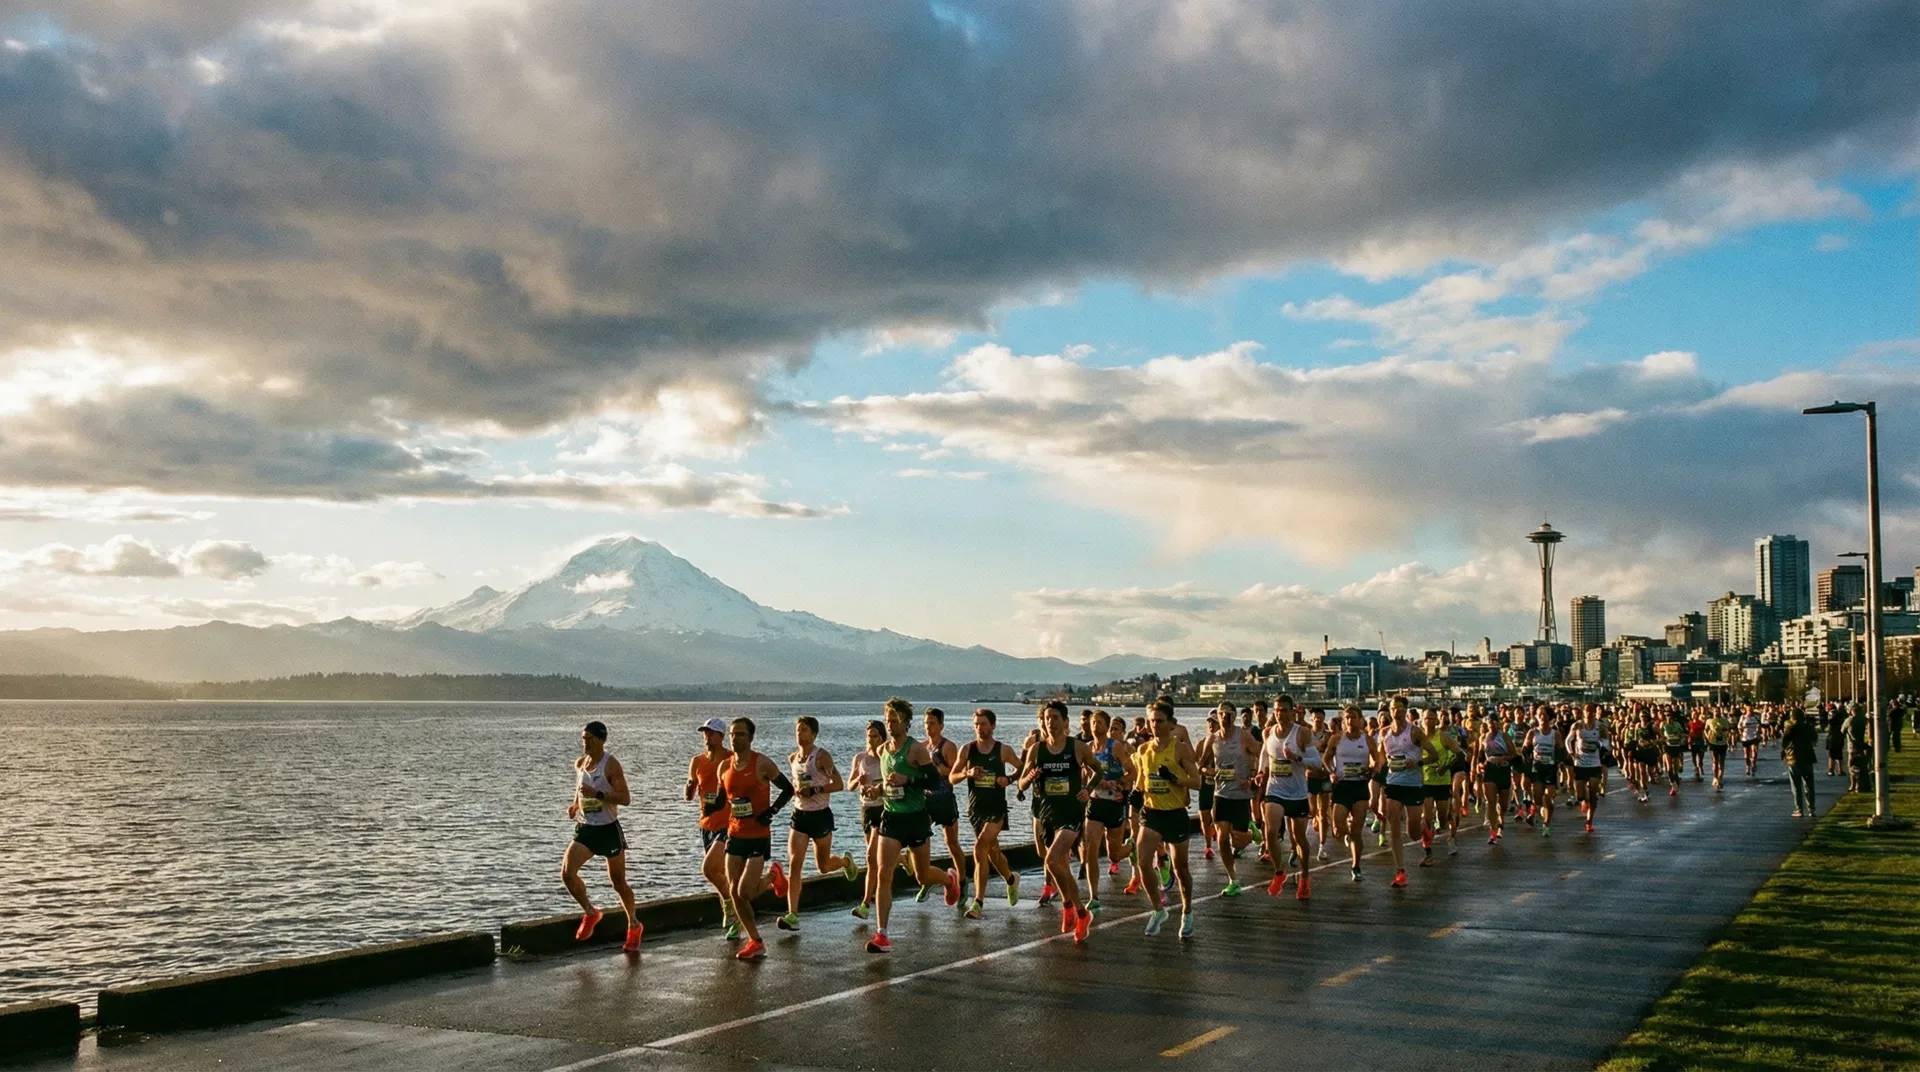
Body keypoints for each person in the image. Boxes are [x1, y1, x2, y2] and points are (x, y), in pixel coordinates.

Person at [870, 698, 961, 954]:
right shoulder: (882, 751)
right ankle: (882, 934)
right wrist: (877, 789)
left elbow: (933, 782)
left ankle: (948, 879)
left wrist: (908, 780)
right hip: (892, 817)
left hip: (917, 817)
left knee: (921, 875)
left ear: (907, 723)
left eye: (895, 719)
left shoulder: (916, 751)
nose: (890, 723)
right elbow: (889, 783)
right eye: (887, 719)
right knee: (883, 873)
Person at [1020, 700, 1098, 942]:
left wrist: (1088, 789)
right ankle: (1081, 912)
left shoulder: (1078, 747)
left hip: (1072, 813)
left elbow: (1098, 770)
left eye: (1055, 717)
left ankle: (1066, 905)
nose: (1050, 722)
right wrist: (1030, 776)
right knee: (1060, 867)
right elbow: (1021, 785)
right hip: (1048, 815)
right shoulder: (1036, 750)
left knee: (1052, 860)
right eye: (1047, 718)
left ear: (1065, 722)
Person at [564, 720, 642, 953]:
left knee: (618, 883)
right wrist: (575, 805)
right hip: (587, 828)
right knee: (567, 873)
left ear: (601, 740)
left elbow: (625, 798)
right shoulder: (580, 764)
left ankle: (634, 925)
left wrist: (597, 793)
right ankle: (591, 912)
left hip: (608, 829)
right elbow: (580, 789)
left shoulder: (611, 765)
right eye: (583, 738)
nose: (584, 742)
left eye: (589, 739)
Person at [720, 717, 794, 961]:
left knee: (746, 891)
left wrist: (771, 812)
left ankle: (773, 876)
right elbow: (722, 800)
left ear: (750, 738)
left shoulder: (762, 763)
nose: (735, 738)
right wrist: (704, 800)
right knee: (734, 892)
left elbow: (788, 789)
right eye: (732, 734)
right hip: (735, 834)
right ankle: (756, 941)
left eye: (740, 734)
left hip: (758, 835)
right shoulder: (725, 767)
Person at [776, 716, 859, 933]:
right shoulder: (793, 758)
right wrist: (797, 790)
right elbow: (796, 783)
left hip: (821, 815)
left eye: (804, 730)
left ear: (813, 734)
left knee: (823, 867)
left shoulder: (821, 757)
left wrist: (815, 790)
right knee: (795, 863)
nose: (799, 733)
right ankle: (793, 914)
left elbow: (839, 784)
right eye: (797, 729)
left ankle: (844, 862)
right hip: (799, 816)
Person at [1135, 699, 1201, 939]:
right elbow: (1143, 780)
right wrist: (1134, 792)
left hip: (1175, 814)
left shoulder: (1180, 749)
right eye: (1151, 721)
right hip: (1152, 813)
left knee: (1180, 869)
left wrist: (1175, 778)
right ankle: (1157, 909)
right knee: (1143, 862)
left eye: (1159, 721)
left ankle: (1187, 911)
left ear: (1171, 724)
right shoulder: (1143, 750)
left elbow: (1197, 781)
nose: (1154, 725)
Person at [953, 707, 1022, 918]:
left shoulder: (1003, 750)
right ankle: (1010, 879)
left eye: (983, 724)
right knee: (991, 853)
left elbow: (1022, 767)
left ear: (992, 725)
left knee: (979, 848)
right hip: (976, 809)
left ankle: (978, 902)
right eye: (976, 724)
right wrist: (967, 773)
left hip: (996, 809)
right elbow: (952, 777)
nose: (979, 728)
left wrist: (1008, 780)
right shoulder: (967, 750)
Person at [1200, 703, 1261, 895]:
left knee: (1238, 843)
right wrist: (1207, 771)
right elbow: (1200, 763)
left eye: (1228, 714)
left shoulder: (1243, 735)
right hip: (1221, 794)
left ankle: (1253, 833)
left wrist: (1252, 777)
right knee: (1222, 839)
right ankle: (1233, 879)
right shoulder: (1213, 738)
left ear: (1234, 716)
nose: (1224, 717)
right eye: (1221, 714)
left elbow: (1263, 755)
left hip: (1241, 795)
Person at [1081, 710, 1136, 916]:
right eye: (1092, 722)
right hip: (1095, 803)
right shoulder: (1086, 749)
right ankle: (1094, 896)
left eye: (1099, 723)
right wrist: (1089, 785)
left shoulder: (1116, 747)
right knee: (1091, 849)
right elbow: (1084, 775)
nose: (1095, 726)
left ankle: (1131, 847)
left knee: (1113, 854)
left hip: (1114, 803)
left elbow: (1132, 772)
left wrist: (1119, 783)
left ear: (1106, 725)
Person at [685, 717, 735, 937]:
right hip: (706, 825)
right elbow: (690, 794)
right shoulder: (697, 761)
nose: (707, 736)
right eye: (705, 732)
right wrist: (688, 787)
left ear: (722, 736)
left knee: (708, 869)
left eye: (711, 732)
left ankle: (728, 905)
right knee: (725, 874)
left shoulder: (731, 759)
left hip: (730, 824)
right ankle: (738, 916)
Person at [1378, 697, 1435, 888]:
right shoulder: (1384, 733)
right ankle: (1400, 871)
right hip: (1393, 783)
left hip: (1413, 784)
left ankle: (1423, 830)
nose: (1396, 712)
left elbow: (1433, 755)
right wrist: (1372, 767)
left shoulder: (1415, 731)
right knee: (1393, 824)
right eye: (1393, 708)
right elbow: (1379, 758)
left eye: (1400, 709)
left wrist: (1417, 762)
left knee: (1412, 833)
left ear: (1405, 710)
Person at [1260, 702, 1314, 899]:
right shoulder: (1268, 732)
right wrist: (1261, 771)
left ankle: (1305, 876)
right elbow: (1265, 754)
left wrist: (1297, 758)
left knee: (1299, 838)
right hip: (1275, 789)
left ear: (1292, 712)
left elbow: (1316, 763)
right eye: (1276, 710)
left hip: (1298, 792)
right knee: (1271, 831)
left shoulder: (1302, 733)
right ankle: (1279, 871)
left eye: (1283, 710)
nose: (1279, 714)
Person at [920, 708, 969, 909]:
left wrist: (940, 769)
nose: (928, 727)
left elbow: (955, 774)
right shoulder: (921, 747)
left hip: (945, 799)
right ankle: (928, 877)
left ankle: (963, 882)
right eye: (926, 723)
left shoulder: (948, 746)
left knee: (952, 843)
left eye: (932, 723)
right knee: (922, 841)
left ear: (941, 725)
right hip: (926, 800)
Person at [1324, 704, 1375, 882]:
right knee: (1338, 829)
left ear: (1361, 720)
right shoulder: (1336, 739)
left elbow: (1378, 760)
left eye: (1353, 717)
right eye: (1347, 717)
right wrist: (1331, 772)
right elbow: (1326, 759)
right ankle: (1347, 838)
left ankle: (1356, 866)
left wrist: (1372, 770)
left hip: (1360, 786)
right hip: (1342, 786)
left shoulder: (1367, 740)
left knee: (1357, 831)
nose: (1350, 720)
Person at [846, 719, 887, 921]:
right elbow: (849, 786)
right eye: (868, 736)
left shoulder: (885, 758)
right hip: (866, 809)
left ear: (882, 738)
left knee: (871, 857)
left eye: (875, 736)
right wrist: (858, 781)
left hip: (883, 809)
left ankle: (865, 903)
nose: (871, 740)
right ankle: (904, 859)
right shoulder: (860, 758)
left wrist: (878, 790)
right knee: (877, 857)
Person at [1522, 707, 1560, 835]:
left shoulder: (1555, 734)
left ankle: (1546, 825)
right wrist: (1526, 755)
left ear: (1549, 717)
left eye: (1544, 715)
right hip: (1537, 768)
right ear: (1536, 717)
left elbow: (1561, 751)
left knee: (1548, 797)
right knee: (1538, 798)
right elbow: (1525, 748)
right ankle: (1535, 809)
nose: (1542, 717)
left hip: (1550, 768)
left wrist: (1559, 760)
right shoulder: (1532, 733)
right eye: (1539, 715)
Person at [1479, 715, 1516, 844]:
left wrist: (1503, 759)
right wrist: (1479, 765)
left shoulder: (1504, 736)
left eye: (1495, 722)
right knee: (1491, 801)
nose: (1492, 724)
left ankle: (1501, 819)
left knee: (1503, 805)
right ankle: (1493, 831)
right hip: (1490, 769)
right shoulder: (1483, 737)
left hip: (1503, 769)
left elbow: (1513, 753)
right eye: (1490, 722)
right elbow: (1479, 755)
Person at [1568, 705, 1605, 833]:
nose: (1589, 713)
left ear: (1594, 713)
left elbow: (1606, 740)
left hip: (1594, 763)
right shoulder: (1577, 725)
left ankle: (1589, 821)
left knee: (1593, 793)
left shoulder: (1599, 726)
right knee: (1580, 795)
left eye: (1591, 711)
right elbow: (1568, 740)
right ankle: (1583, 800)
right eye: (1587, 711)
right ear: (1583, 712)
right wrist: (1572, 753)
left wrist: (1604, 748)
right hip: (1580, 763)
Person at [1781, 705, 1820, 818]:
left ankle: (1799, 809)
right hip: (1807, 758)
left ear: (1792, 717)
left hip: (1794, 758)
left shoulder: (1791, 728)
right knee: (1809, 785)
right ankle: (1811, 809)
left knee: (1796, 785)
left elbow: (1785, 741)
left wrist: (1783, 751)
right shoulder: (1809, 727)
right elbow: (1814, 738)